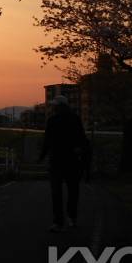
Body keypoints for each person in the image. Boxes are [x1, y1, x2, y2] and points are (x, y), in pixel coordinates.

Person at [39, 95, 90, 232]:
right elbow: (82, 140)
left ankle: (58, 222)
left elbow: (47, 141)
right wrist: (84, 160)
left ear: (59, 106)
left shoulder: (52, 120)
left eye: (55, 105)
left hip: (57, 161)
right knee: (73, 191)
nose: (53, 107)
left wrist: (41, 157)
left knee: (57, 192)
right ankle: (71, 218)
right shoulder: (75, 119)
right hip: (72, 161)